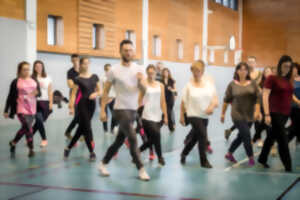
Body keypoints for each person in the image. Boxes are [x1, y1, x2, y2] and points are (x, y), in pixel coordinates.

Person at [98, 40, 150, 181]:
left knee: (119, 141)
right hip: (120, 109)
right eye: (125, 50)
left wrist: (140, 82)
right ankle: (141, 169)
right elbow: (106, 92)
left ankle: (103, 163)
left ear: (133, 52)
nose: (128, 52)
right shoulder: (113, 70)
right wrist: (102, 110)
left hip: (133, 110)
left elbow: (145, 90)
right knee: (133, 138)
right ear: (120, 51)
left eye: (130, 50)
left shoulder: (139, 69)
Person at [258, 55, 295, 172]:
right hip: (275, 113)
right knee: (283, 139)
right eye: (285, 66)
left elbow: (289, 96)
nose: (287, 68)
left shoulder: (288, 80)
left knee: (271, 137)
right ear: (280, 65)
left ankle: (262, 158)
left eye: (289, 67)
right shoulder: (272, 78)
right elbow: (265, 95)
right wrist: (267, 114)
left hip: (285, 114)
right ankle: (288, 166)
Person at [180, 60, 218, 168]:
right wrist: (181, 115)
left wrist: (211, 107)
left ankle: (184, 153)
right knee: (202, 134)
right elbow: (183, 101)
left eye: (197, 71)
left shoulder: (209, 85)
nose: (195, 73)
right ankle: (203, 161)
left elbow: (215, 100)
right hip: (192, 114)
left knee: (195, 138)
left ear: (202, 71)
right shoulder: (188, 85)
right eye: (193, 71)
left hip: (204, 115)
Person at [221, 62, 261, 166]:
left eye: (245, 69)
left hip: (249, 115)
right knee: (247, 135)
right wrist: (222, 114)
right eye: (240, 69)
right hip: (237, 114)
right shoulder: (232, 84)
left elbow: (258, 98)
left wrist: (257, 111)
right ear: (237, 71)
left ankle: (229, 153)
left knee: (241, 136)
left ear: (248, 71)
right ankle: (251, 158)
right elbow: (226, 100)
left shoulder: (253, 83)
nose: (243, 71)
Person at [64, 57, 101, 161]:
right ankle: (91, 152)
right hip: (82, 105)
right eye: (84, 64)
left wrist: (96, 93)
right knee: (88, 127)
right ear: (80, 65)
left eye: (87, 63)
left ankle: (68, 148)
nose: (86, 65)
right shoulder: (78, 79)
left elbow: (100, 91)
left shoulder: (94, 77)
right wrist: (71, 107)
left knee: (81, 129)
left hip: (92, 105)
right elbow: (73, 94)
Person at [4, 61, 41, 157]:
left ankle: (13, 142)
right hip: (20, 108)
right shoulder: (16, 81)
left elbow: (39, 93)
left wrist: (35, 93)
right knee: (28, 127)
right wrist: (6, 110)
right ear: (20, 70)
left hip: (32, 109)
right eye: (24, 69)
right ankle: (31, 149)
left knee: (25, 128)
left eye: (28, 69)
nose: (27, 71)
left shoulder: (34, 80)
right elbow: (10, 96)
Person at [224, 56, 262, 140]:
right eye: (249, 62)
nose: (251, 64)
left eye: (252, 62)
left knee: (253, 120)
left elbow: (261, 86)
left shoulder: (259, 74)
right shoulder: (243, 74)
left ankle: (255, 138)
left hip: (254, 101)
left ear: (255, 63)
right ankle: (246, 137)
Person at [138, 64, 168, 166]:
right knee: (157, 135)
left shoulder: (161, 85)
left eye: (153, 73)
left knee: (153, 139)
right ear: (147, 73)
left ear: (155, 73)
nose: (151, 75)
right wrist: (137, 113)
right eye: (149, 73)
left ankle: (137, 151)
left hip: (158, 115)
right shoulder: (143, 84)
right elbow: (139, 100)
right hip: (147, 115)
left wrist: (166, 115)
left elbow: (163, 101)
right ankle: (160, 158)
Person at [32, 60, 53, 147]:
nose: (38, 68)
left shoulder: (48, 77)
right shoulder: (32, 78)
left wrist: (51, 103)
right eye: (36, 66)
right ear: (34, 67)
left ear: (42, 67)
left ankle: (29, 136)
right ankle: (44, 139)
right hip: (35, 102)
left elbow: (50, 91)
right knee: (39, 120)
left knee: (38, 122)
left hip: (45, 102)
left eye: (40, 66)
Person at [252, 67, 273, 147]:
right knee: (258, 123)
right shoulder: (260, 83)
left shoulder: (274, 83)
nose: (267, 73)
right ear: (264, 74)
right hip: (260, 106)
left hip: (270, 107)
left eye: (269, 71)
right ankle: (259, 140)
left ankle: (270, 143)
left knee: (269, 125)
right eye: (266, 72)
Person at [65, 54, 80, 139]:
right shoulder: (70, 72)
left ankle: (80, 133)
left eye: (76, 60)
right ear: (71, 61)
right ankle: (69, 132)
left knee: (82, 116)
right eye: (73, 60)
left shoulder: (83, 70)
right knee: (78, 116)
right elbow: (70, 84)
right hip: (74, 95)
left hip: (84, 95)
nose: (75, 62)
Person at [100, 63, 118, 135]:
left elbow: (116, 89)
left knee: (115, 115)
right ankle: (105, 130)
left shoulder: (114, 78)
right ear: (105, 70)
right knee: (105, 115)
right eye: (107, 69)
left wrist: (112, 97)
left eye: (110, 69)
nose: (109, 71)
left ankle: (113, 129)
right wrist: (104, 99)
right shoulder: (102, 78)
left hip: (113, 98)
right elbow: (101, 89)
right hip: (104, 99)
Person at [161, 68, 177, 132]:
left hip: (170, 99)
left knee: (168, 113)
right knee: (164, 113)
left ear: (168, 73)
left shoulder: (172, 80)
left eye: (167, 72)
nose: (165, 73)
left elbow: (175, 90)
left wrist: (172, 90)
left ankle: (170, 128)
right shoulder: (160, 81)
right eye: (164, 72)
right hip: (163, 99)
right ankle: (168, 126)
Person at [288, 63, 300, 144]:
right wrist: (298, 101)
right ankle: (286, 140)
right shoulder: (289, 80)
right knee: (295, 124)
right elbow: (290, 93)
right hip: (293, 106)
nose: (294, 70)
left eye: (295, 68)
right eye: (292, 69)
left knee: (297, 124)